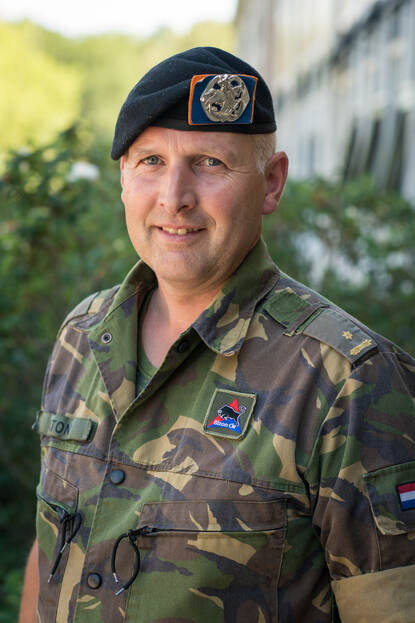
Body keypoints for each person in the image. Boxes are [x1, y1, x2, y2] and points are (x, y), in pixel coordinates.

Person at [20, 47, 415, 623]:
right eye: (150, 161)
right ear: (124, 179)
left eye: (209, 163)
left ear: (271, 183)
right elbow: (52, 544)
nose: (174, 197)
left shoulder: (347, 379)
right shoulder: (82, 335)